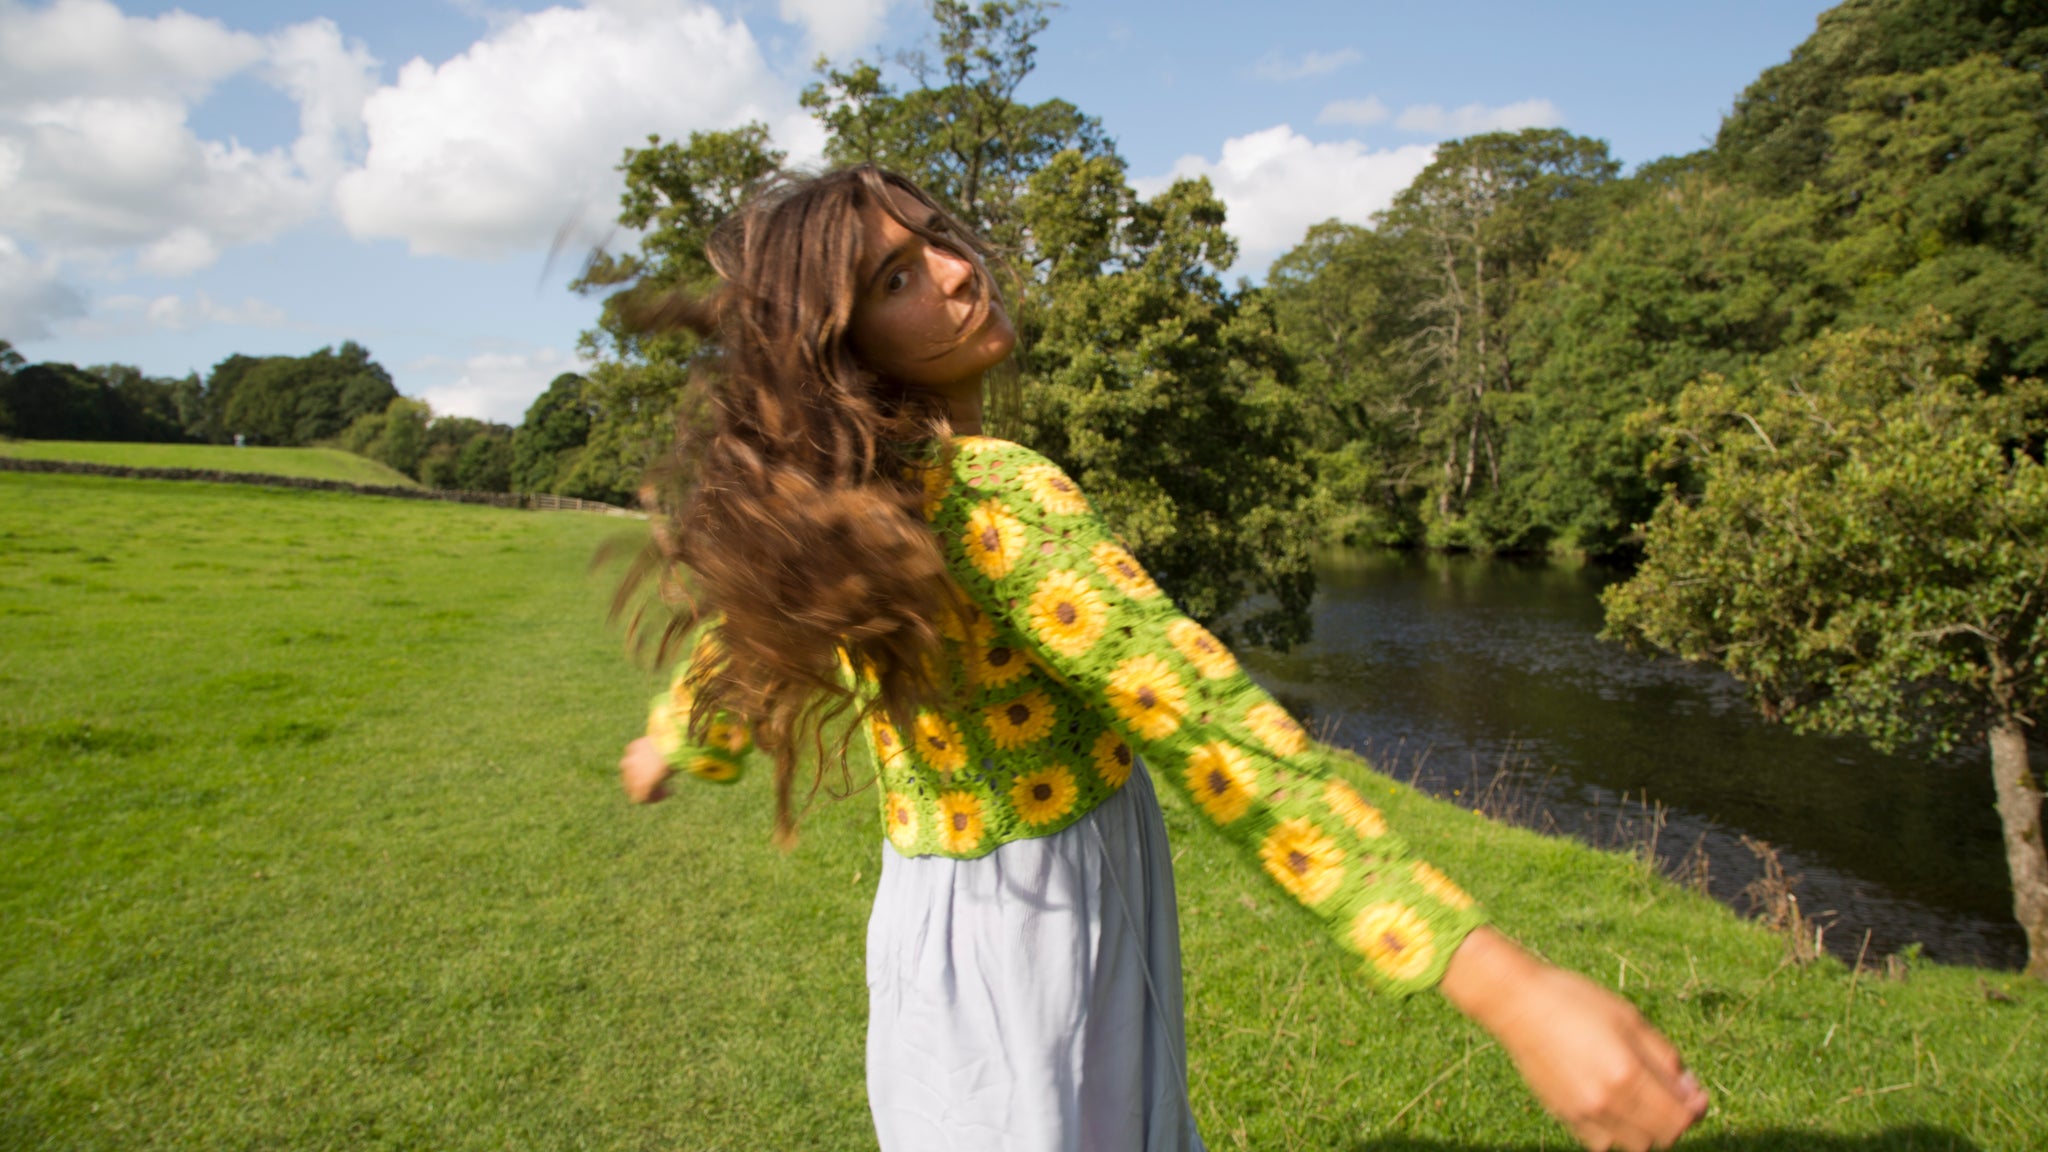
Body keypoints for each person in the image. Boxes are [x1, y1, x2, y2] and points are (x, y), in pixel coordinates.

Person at [614, 165, 1710, 1152]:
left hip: (932, 924)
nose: (956, 271)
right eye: (897, 277)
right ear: (842, 340)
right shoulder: (992, 494)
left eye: (938, 237)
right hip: (1046, 925)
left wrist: (672, 746)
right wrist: (1510, 990)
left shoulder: (841, 502)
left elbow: (739, 638)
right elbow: (1213, 728)